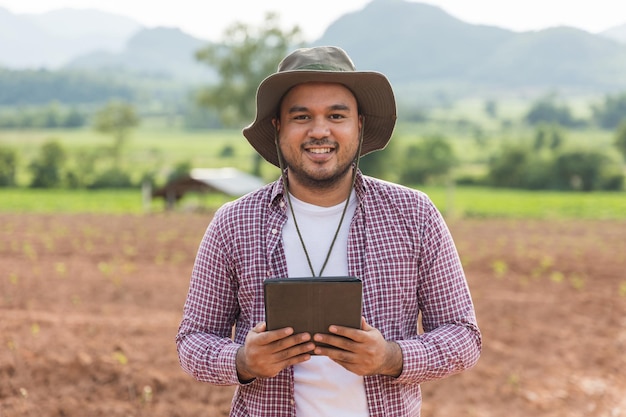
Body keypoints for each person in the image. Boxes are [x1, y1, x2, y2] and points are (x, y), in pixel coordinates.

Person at [176, 45, 481, 417]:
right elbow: (192, 341)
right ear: (278, 127)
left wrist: (391, 357)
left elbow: (463, 335)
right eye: (301, 116)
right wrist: (243, 360)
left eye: (336, 115)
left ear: (360, 125)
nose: (319, 131)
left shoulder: (414, 214)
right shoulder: (234, 223)